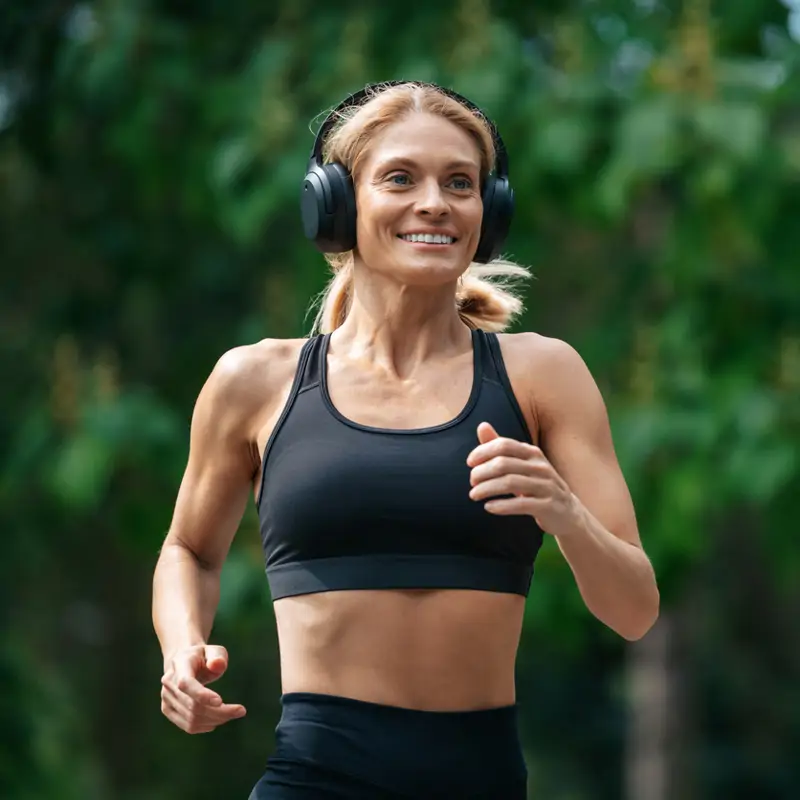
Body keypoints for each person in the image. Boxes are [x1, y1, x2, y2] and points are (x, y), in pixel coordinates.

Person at [152, 80, 660, 799]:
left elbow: (635, 610)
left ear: (490, 214)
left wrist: (564, 513)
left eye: (460, 183)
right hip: (312, 782)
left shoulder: (543, 374)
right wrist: (181, 652)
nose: (434, 202)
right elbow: (189, 551)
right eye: (400, 178)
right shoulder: (254, 381)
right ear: (334, 205)